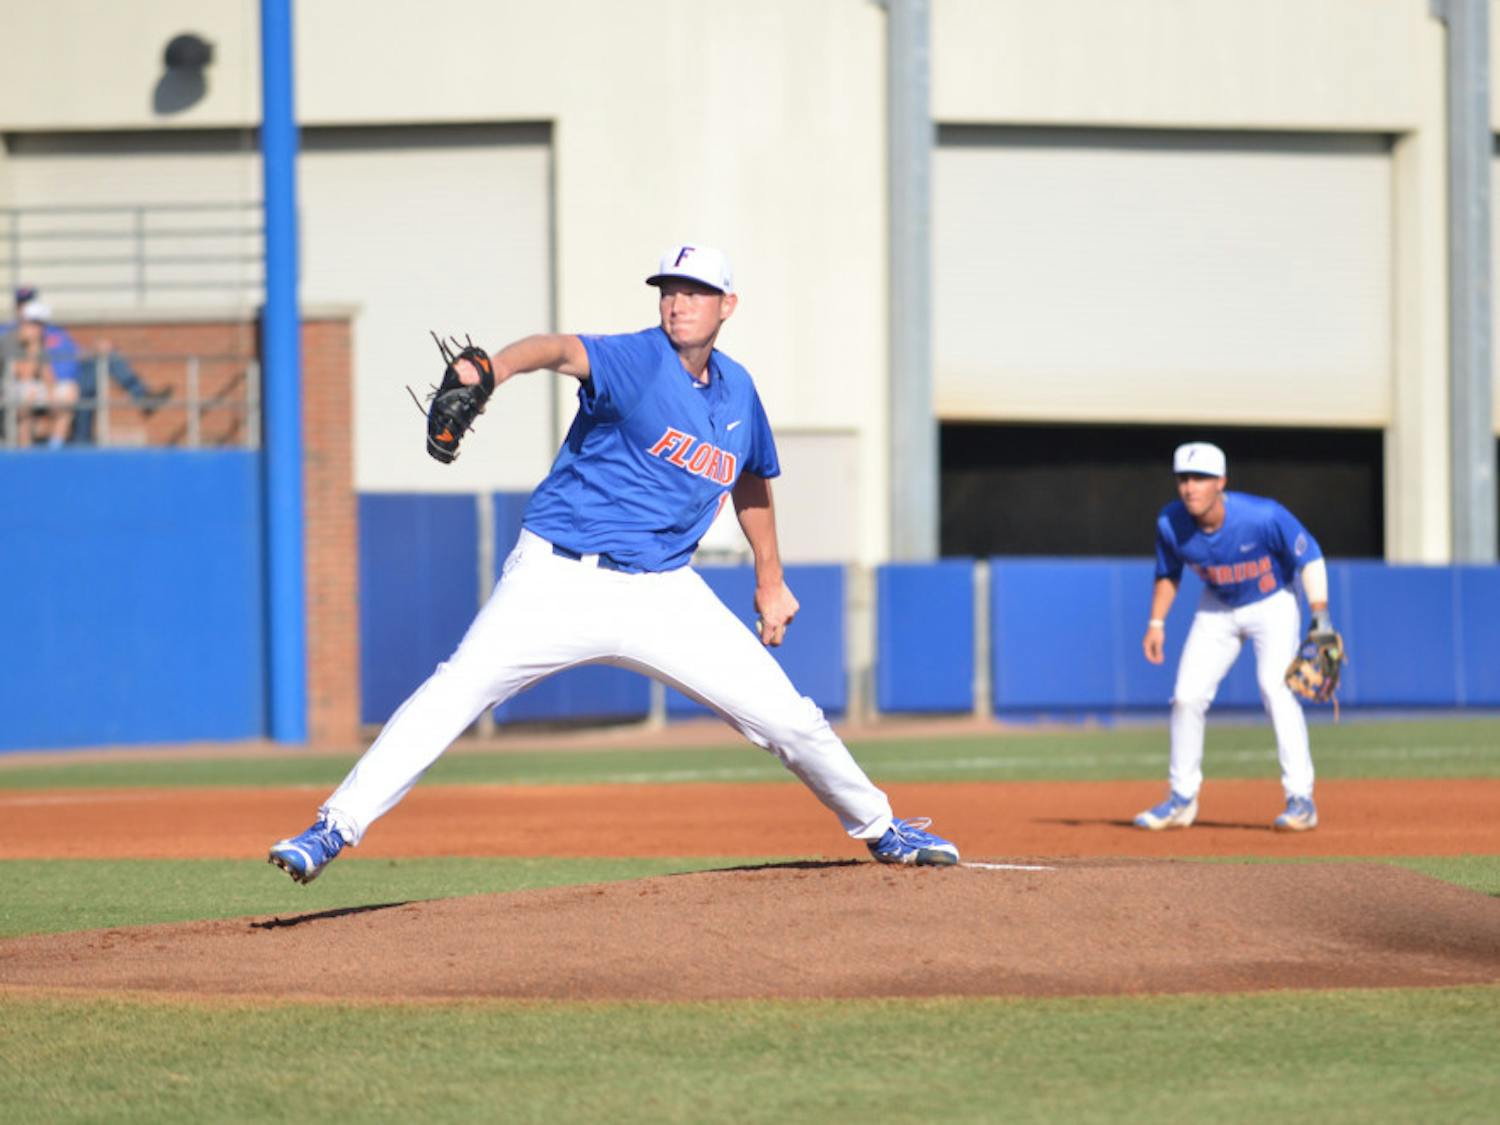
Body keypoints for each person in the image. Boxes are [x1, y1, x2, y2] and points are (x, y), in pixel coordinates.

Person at [269, 242, 960, 883]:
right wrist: (493, 369)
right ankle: (331, 828)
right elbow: (561, 349)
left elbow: (752, 478)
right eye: (669, 289)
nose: (678, 302)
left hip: (662, 591)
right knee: (457, 688)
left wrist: (770, 578)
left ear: (728, 305)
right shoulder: (639, 360)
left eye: (695, 291)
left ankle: (880, 826)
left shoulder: (738, 392)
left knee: (789, 718)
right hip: (558, 576)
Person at [1134, 441, 1332, 833]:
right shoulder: (1171, 523)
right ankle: (1182, 799)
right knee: (1187, 696)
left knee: (1275, 688)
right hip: (1218, 606)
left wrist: (1320, 616)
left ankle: (1301, 800)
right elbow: (1168, 573)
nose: (1190, 487)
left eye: (1201, 478)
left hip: (1272, 601)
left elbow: (1310, 556)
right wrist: (1156, 623)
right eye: (1184, 478)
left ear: (1221, 481)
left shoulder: (1261, 516)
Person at [0, 286, 170, 445]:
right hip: (33, 385)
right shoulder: (11, 333)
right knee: (39, 395)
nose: (27, 310)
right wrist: (33, 345)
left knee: (105, 359)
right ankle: (78, 440)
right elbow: (24, 373)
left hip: (69, 379)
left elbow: (75, 353)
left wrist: (96, 349)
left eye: (30, 304)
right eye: (22, 304)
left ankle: (143, 398)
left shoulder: (52, 330)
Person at [0, 300, 80, 448]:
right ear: (23, 322)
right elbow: (23, 375)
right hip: (8, 389)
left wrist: (52, 394)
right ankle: (25, 450)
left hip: (30, 387)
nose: (39, 328)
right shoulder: (8, 341)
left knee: (70, 391)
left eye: (41, 324)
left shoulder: (40, 342)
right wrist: (33, 348)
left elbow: (47, 374)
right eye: (34, 323)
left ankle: (54, 448)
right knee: (27, 393)